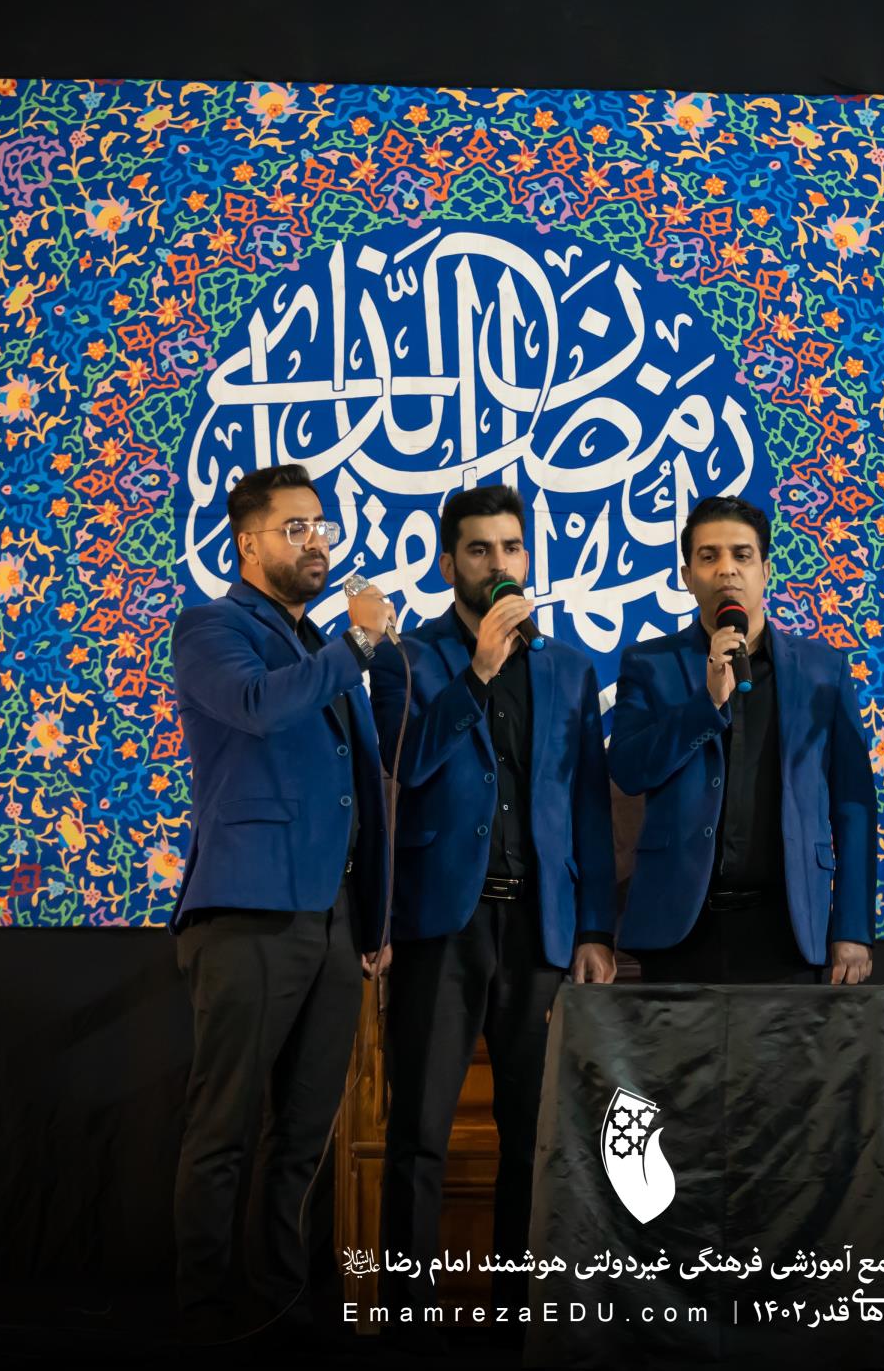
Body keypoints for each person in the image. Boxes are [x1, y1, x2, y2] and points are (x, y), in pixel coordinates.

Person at [367, 483, 618, 1349]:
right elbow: (407, 766)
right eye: (479, 550)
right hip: (443, 924)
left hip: (540, 930)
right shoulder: (408, 659)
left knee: (532, 1139)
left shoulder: (568, 667)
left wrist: (594, 928)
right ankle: (407, 1319)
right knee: (419, 1133)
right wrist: (475, 671)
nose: (498, 563)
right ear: (449, 564)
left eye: (511, 548)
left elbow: (587, 805)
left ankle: (518, 1321)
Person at [166, 462, 395, 1343]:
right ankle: (205, 1314)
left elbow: (365, 784)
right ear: (247, 544)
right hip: (250, 911)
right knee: (224, 1126)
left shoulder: (322, 649)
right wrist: (355, 647)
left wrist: (371, 918)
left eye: (321, 526)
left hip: (333, 922)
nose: (315, 542)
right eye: (294, 528)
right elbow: (256, 708)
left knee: (303, 1136)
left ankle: (280, 1307)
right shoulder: (213, 628)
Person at [608, 494, 877, 984]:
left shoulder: (823, 670)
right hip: (680, 927)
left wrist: (853, 927)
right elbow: (629, 770)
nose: (726, 569)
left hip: (789, 927)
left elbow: (853, 805)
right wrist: (706, 704)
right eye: (708, 556)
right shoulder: (649, 664)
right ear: (687, 576)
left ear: (765, 570)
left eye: (742, 555)